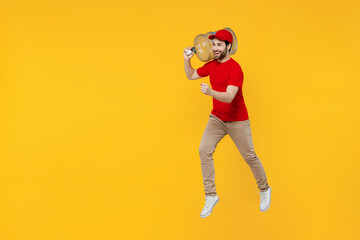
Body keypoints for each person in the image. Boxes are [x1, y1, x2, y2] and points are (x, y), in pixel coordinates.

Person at [183, 29, 272, 218]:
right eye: (213, 44)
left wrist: (210, 93)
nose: (214, 48)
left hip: (237, 120)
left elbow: (230, 97)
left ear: (228, 46)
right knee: (203, 150)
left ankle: (264, 189)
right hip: (217, 118)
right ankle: (211, 195)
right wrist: (186, 60)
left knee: (250, 157)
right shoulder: (211, 65)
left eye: (219, 44)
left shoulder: (235, 69)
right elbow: (190, 76)